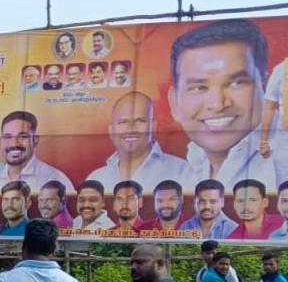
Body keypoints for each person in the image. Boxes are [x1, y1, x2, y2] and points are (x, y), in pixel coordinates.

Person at [169, 19, 284, 188]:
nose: (218, 104)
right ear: (174, 103)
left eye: (236, 83)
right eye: (199, 87)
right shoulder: (183, 168)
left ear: (266, 87)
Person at [85, 92, 195, 193]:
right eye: (122, 122)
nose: (131, 128)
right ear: (111, 131)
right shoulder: (96, 179)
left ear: (153, 127)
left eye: (140, 121)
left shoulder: (182, 172)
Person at [0, 111, 75, 193]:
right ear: (0, 142)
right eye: (7, 137)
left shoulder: (55, 178)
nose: (14, 144)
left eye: (23, 136)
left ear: (35, 140)